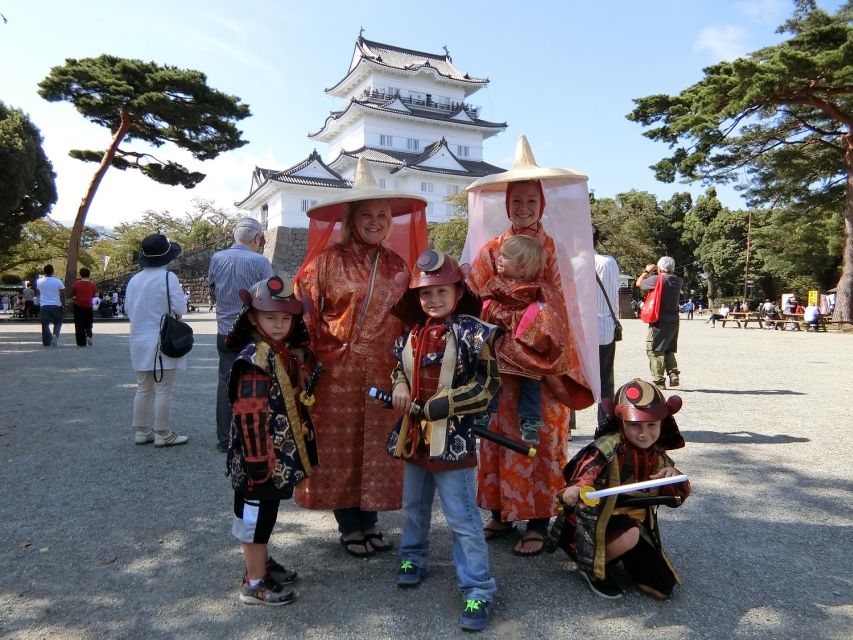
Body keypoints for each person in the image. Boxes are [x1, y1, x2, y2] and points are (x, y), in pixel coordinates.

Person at [464, 136, 596, 557]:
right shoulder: (491, 248)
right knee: (498, 432)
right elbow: (474, 297)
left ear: (541, 204)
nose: (523, 208)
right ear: (507, 204)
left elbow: (560, 301)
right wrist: (494, 314)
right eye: (516, 201)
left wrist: (534, 327)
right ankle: (501, 512)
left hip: (540, 356)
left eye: (529, 202)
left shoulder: (553, 247)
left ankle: (538, 517)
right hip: (499, 360)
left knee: (538, 432)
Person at [294, 158, 428, 557]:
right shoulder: (325, 263)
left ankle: (369, 521)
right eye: (367, 214)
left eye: (382, 216)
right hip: (336, 373)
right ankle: (349, 526)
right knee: (344, 447)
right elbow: (305, 313)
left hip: (385, 370)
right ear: (351, 219)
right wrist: (310, 359)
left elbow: (410, 321)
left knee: (377, 446)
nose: (375, 221)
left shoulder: (397, 266)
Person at [387, 249, 498, 632]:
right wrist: (400, 384)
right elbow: (395, 369)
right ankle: (412, 558)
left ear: (457, 292)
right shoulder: (411, 334)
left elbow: (487, 387)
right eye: (425, 294)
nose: (433, 300)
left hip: (454, 443)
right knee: (413, 506)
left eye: (441, 292)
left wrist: (445, 404)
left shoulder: (475, 333)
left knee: (463, 519)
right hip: (414, 439)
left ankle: (478, 588)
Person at [550, 378, 690, 600]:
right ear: (621, 421)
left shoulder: (658, 455)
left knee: (662, 588)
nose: (644, 433)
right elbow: (585, 473)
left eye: (652, 425)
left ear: (662, 423)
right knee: (630, 533)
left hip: (633, 526)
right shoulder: (607, 447)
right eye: (635, 424)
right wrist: (577, 489)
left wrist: (674, 479)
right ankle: (590, 564)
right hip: (595, 524)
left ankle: (616, 554)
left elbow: (679, 495)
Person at [225, 275, 318, 606]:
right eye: (270, 317)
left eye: (285, 318)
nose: (279, 324)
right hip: (260, 461)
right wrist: (257, 462)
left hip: (274, 460)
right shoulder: (254, 361)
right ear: (253, 318)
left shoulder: (279, 352)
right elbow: (250, 415)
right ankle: (253, 582)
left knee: (266, 513)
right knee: (254, 520)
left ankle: (261, 563)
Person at [477, 235, 570, 445]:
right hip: (500, 340)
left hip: (527, 341)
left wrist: (534, 321)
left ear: (522, 267)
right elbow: (482, 300)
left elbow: (552, 312)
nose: (499, 259)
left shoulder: (539, 287)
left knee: (531, 379)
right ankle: (484, 410)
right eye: (501, 255)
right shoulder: (496, 282)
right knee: (488, 370)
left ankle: (530, 420)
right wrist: (496, 312)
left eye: (506, 257)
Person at [208, 217, 273, 452]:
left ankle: (224, 438)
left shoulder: (216, 258)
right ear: (256, 238)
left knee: (225, 380)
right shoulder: (260, 261)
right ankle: (251, 435)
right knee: (255, 381)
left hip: (224, 330)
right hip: (252, 332)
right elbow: (269, 298)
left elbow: (212, 288)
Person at [124, 234, 189, 447]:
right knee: (163, 389)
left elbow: (128, 310)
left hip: (138, 338)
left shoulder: (134, 279)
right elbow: (180, 308)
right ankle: (163, 433)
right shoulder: (168, 277)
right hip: (161, 339)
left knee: (143, 387)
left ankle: (142, 431)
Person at [636, 258, 682, 388]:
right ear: (672, 268)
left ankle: (659, 381)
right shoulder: (678, 280)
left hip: (659, 320)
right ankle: (673, 374)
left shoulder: (657, 279)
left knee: (654, 349)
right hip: (673, 320)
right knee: (667, 348)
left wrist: (646, 271)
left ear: (660, 268)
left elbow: (639, 283)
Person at [593, 224, 620, 436]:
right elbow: (614, 297)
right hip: (605, 329)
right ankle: (605, 425)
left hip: (580, 331)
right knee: (605, 383)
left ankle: (567, 428)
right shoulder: (609, 262)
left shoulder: (571, 263)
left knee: (569, 379)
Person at [36, 264, 65, 347]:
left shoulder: (39, 281)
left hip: (44, 305)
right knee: (58, 322)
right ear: (53, 271)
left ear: (44, 272)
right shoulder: (58, 281)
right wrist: (63, 305)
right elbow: (62, 294)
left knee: (45, 324)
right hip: (56, 304)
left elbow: (39, 292)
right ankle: (55, 335)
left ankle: (46, 341)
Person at [70, 267, 98, 347]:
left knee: (79, 324)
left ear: (80, 274)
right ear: (89, 275)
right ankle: (88, 335)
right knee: (89, 322)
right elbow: (93, 295)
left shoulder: (76, 283)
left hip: (78, 305)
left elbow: (73, 294)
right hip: (89, 305)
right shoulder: (93, 284)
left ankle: (81, 342)